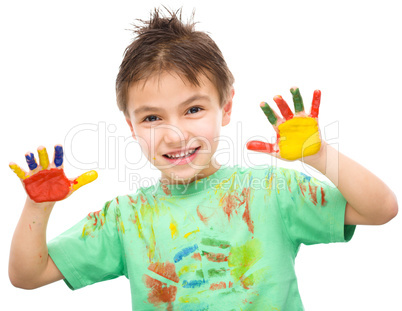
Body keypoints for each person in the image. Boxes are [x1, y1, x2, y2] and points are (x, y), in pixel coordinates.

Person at [8, 7, 398, 310]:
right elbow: (27, 275)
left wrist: (320, 155)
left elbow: (381, 210)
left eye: (193, 110)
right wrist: (38, 207)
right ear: (130, 126)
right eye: (152, 117)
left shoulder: (270, 190)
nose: (175, 132)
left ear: (225, 109)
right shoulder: (126, 220)